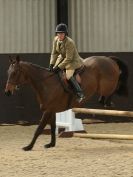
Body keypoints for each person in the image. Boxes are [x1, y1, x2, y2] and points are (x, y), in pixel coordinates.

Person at [49, 23, 85, 102]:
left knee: (68, 76)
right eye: (58, 33)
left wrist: (59, 67)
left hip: (72, 61)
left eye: (62, 33)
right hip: (62, 58)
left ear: (65, 34)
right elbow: (54, 53)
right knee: (52, 71)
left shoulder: (69, 42)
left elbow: (69, 58)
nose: (60, 35)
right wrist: (51, 64)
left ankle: (80, 93)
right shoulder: (55, 39)